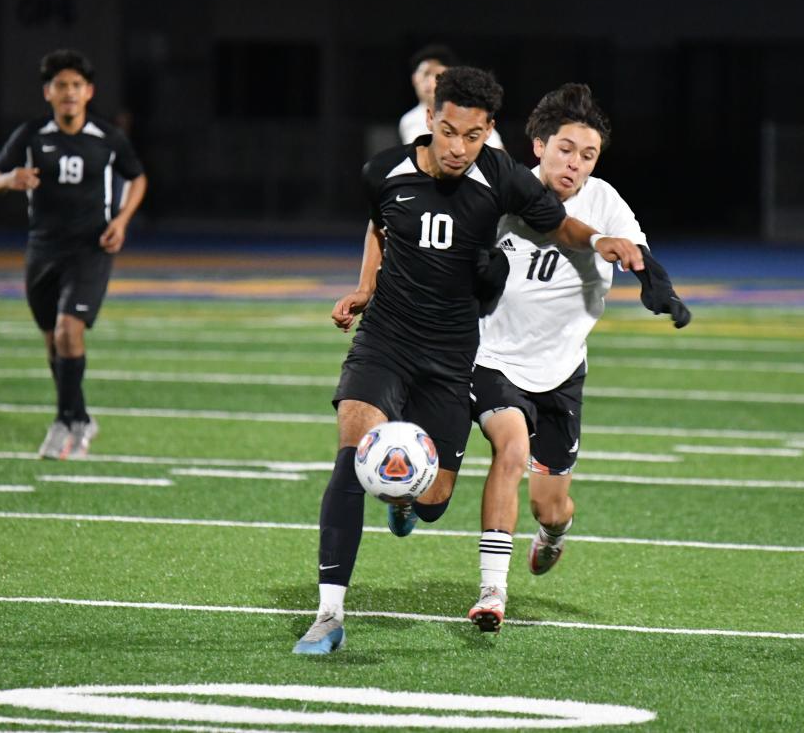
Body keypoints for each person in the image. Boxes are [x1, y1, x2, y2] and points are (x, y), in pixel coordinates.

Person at [293, 67, 643, 655]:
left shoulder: (501, 176)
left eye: (474, 136)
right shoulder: (383, 170)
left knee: (432, 504)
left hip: (453, 356)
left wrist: (601, 241)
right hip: (386, 340)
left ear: (489, 133)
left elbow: (559, 223)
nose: (459, 148)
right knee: (352, 455)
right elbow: (380, 226)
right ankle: (328, 615)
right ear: (430, 118)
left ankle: (405, 500)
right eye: (450, 131)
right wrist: (365, 288)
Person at [466, 83, 691, 632]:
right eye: (566, 148)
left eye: (588, 155)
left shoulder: (604, 201)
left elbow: (639, 253)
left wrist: (659, 287)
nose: (575, 163)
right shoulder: (498, 194)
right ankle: (492, 591)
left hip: (562, 371)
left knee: (551, 504)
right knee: (511, 452)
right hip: (494, 358)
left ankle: (555, 532)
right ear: (539, 145)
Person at [0, 49, 148, 460]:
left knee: (68, 331)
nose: (69, 92)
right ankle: (80, 417)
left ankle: (62, 423)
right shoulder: (31, 134)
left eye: (76, 85)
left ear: (89, 91)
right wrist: (10, 180)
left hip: (90, 248)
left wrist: (122, 221)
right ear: (48, 92)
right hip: (43, 249)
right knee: (52, 344)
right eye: (61, 85)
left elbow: (138, 177)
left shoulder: (108, 137)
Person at [398, 44, 504, 149]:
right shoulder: (410, 120)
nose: (430, 81)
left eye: (437, 75)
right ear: (414, 79)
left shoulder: (469, 113)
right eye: (426, 74)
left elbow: (499, 154)